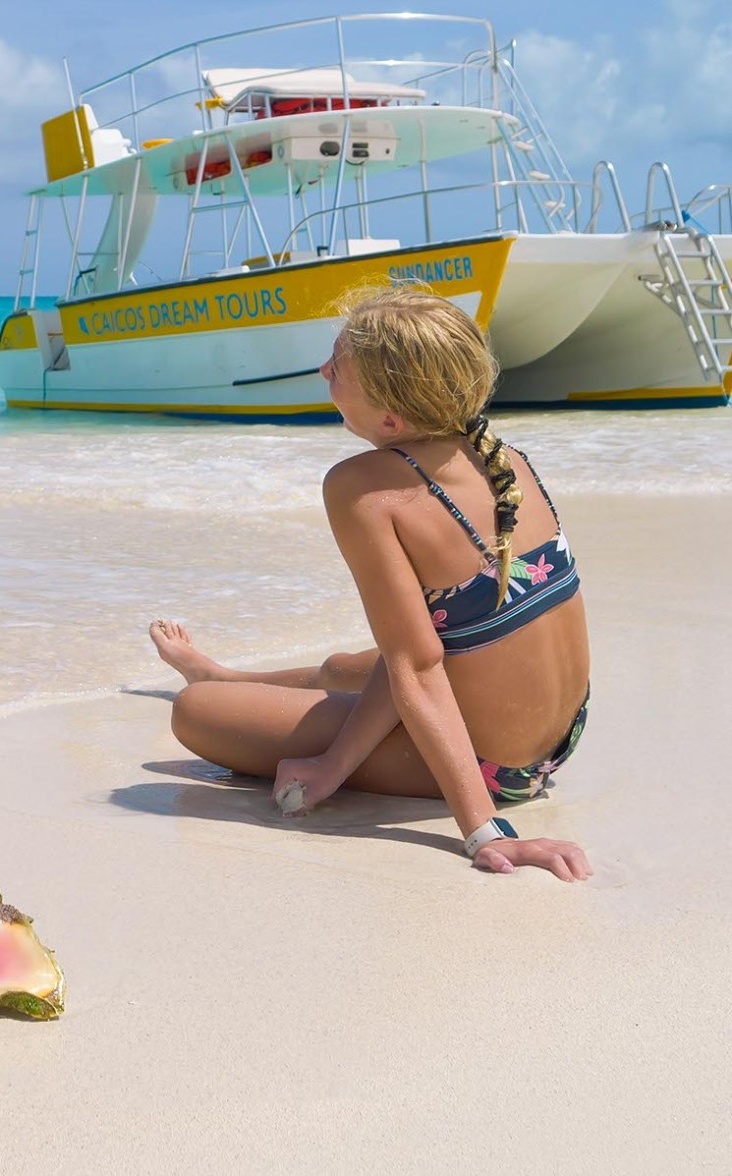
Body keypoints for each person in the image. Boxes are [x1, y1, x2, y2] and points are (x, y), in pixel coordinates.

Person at [149, 285, 593, 880]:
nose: (322, 371)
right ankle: (224, 674)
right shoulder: (503, 457)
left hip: (495, 768)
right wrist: (336, 754)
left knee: (197, 712)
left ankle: (211, 686)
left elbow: (419, 666)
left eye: (338, 369)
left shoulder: (366, 488)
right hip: (556, 739)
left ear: (391, 418)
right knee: (338, 667)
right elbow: (429, 645)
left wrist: (484, 831)